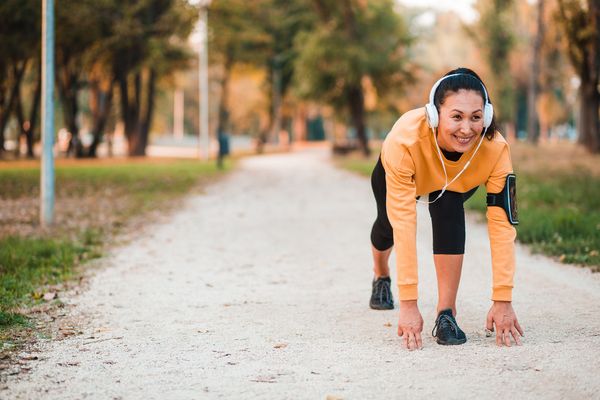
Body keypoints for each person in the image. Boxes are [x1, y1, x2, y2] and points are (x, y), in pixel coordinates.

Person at [368, 67, 524, 350]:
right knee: (387, 227)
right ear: (434, 115)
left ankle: (446, 314)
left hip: (455, 178)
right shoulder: (403, 140)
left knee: (449, 209)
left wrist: (503, 299)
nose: (467, 128)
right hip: (408, 172)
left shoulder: (495, 149)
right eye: (456, 116)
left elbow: (502, 227)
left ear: (486, 116)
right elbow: (405, 223)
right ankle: (381, 275)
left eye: (476, 117)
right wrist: (408, 304)